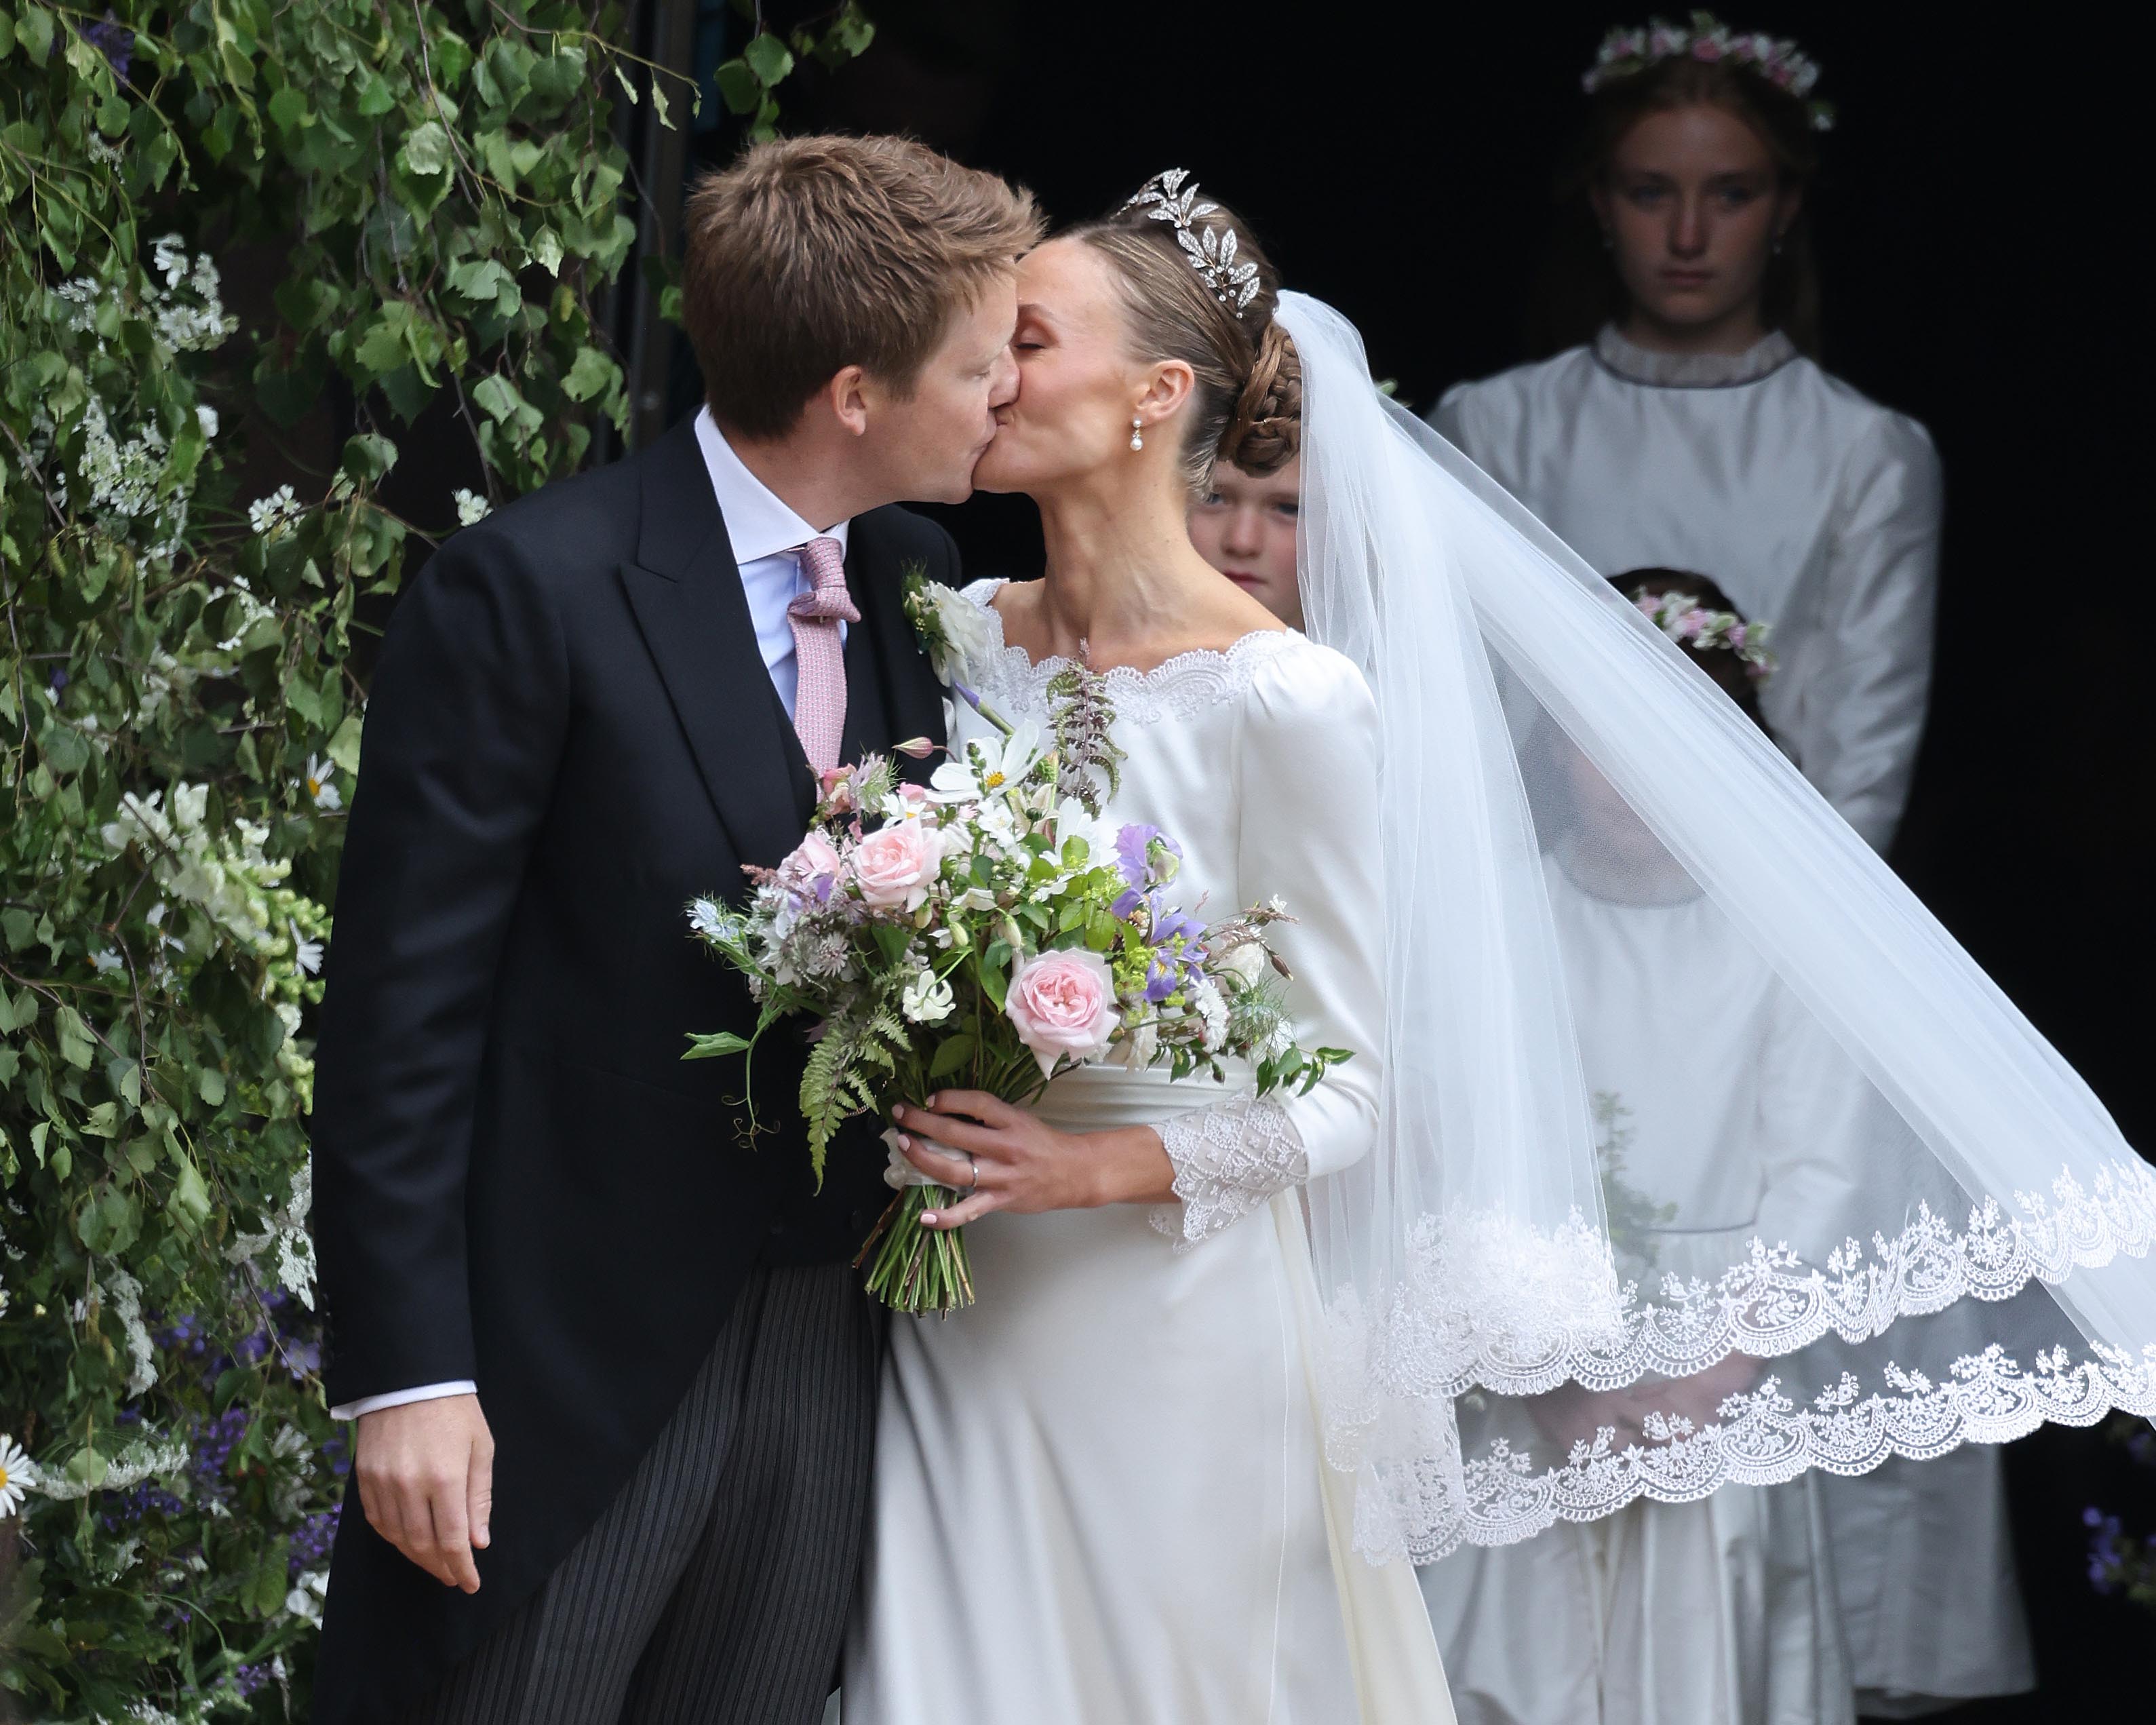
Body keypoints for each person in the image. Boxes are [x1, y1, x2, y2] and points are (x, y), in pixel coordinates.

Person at [309, 136, 1042, 1724]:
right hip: (556, 1360)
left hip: (825, 1346)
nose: (1007, 393)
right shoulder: (533, 592)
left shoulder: (919, 577)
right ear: (857, 391)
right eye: (983, 363)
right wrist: (412, 1377)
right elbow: (395, 1018)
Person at [840, 176, 1456, 1725]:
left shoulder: (1286, 702)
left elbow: (1351, 1096)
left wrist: (1081, 1171)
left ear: (1153, 398)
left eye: (1024, 338)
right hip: (948, 1316)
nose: (983, 369)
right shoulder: (951, 634)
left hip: (1168, 1331)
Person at [1434, 17, 1938, 857]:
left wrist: (1796, 962)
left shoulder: (1866, 452)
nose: (1688, 236)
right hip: (1538, 905)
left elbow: (1863, 753)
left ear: (1785, 205)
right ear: (1601, 199)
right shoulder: (1494, 427)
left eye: (1730, 194)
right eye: (1650, 191)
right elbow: (1456, 706)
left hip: (1771, 909)